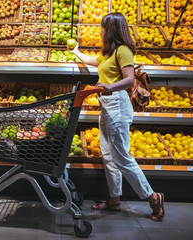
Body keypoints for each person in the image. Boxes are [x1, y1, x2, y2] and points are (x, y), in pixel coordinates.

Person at [70, 12, 165, 221]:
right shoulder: (108, 53)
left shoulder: (123, 51)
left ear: (111, 30)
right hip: (107, 106)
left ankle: (153, 197)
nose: (100, 31)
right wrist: (75, 50)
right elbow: (89, 60)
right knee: (108, 154)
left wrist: (108, 86)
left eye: (103, 27)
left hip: (118, 105)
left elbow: (130, 80)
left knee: (121, 156)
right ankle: (114, 200)